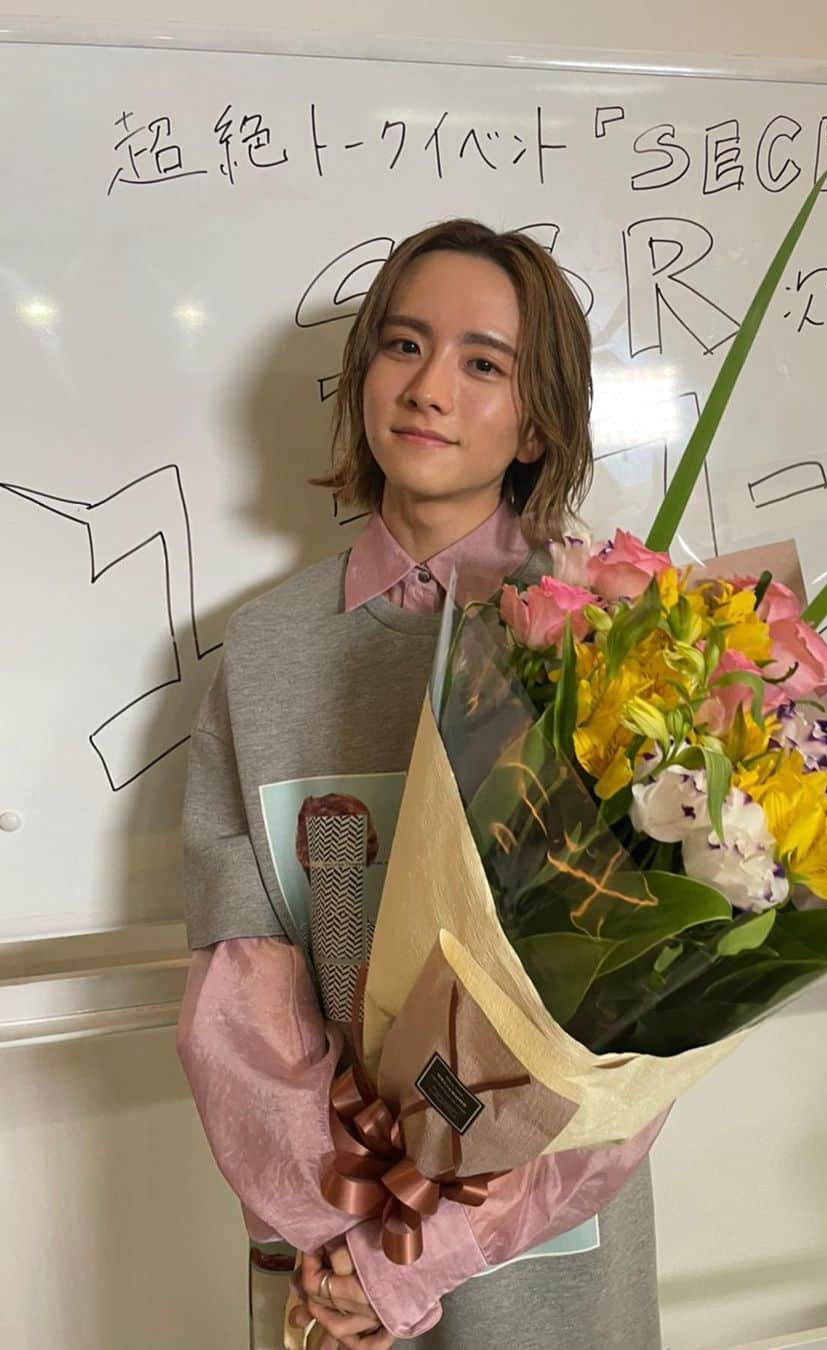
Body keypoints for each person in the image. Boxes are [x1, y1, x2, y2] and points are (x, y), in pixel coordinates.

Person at [177, 219, 663, 1350]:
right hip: (326, 1255)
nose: (429, 388)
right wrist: (341, 1234)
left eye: (482, 363)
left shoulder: (608, 646)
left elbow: (636, 1034)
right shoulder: (266, 653)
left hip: (545, 1258)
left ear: (536, 420)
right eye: (403, 346)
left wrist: (420, 1251)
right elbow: (238, 994)